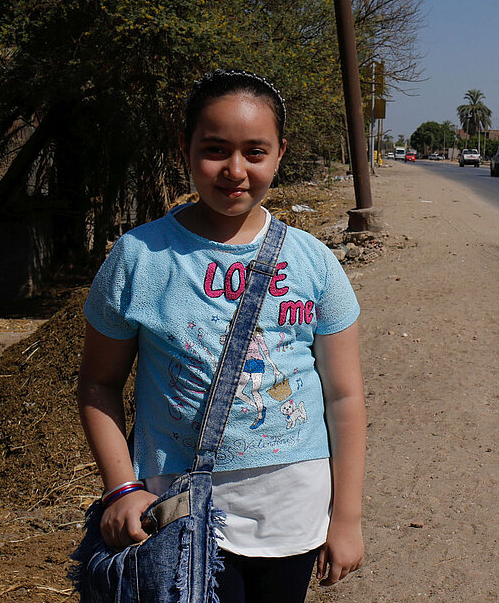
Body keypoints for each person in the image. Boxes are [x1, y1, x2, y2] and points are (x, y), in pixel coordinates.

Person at [76, 69, 366, 603]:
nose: (235, 170)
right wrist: (121, 488)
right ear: (183, 147)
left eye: (255, 152)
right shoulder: (138, 258)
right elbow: (97, 384)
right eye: (215, 150)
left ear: (281, 152)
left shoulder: (314, 263)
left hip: (293, 512)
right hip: (176, 510)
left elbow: (344, 398)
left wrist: (345, 519)